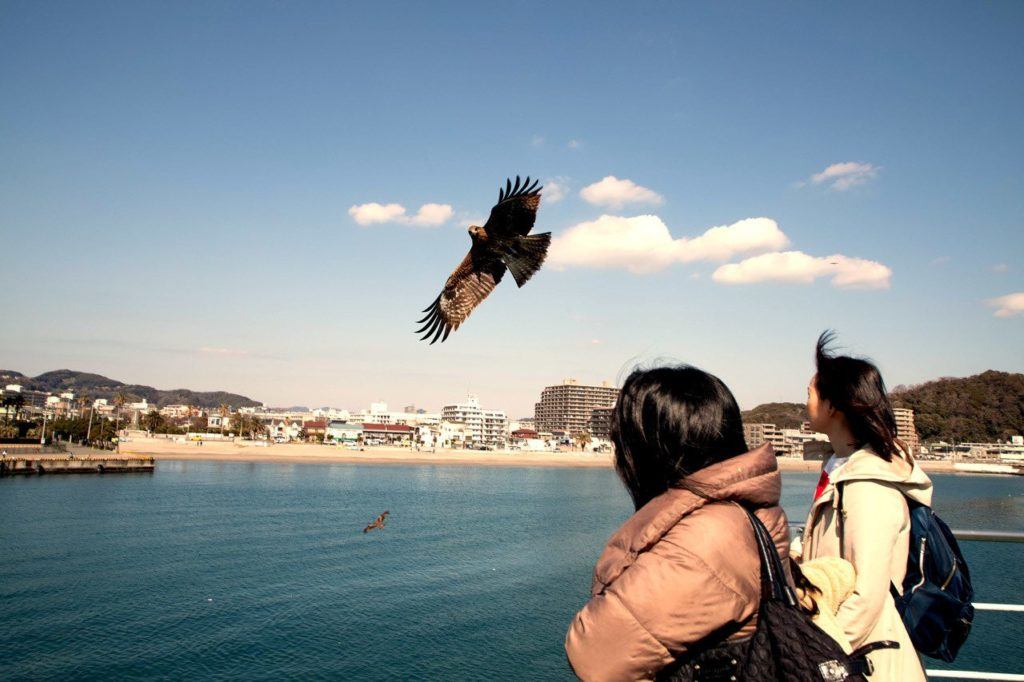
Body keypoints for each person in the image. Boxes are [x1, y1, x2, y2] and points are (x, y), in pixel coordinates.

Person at [565, 365, 790, 681]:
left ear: (654, 451)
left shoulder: (711, 531)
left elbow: (592, 653)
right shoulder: (734, 511)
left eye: (623, 443)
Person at [796, 331, 932, 681]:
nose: (805, 401)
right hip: (848, 653)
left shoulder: (868, 485)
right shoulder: (843, 467)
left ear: (834, 405)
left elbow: (866, 595)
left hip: (864, 663)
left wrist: (819, 661)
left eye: (810, 393)